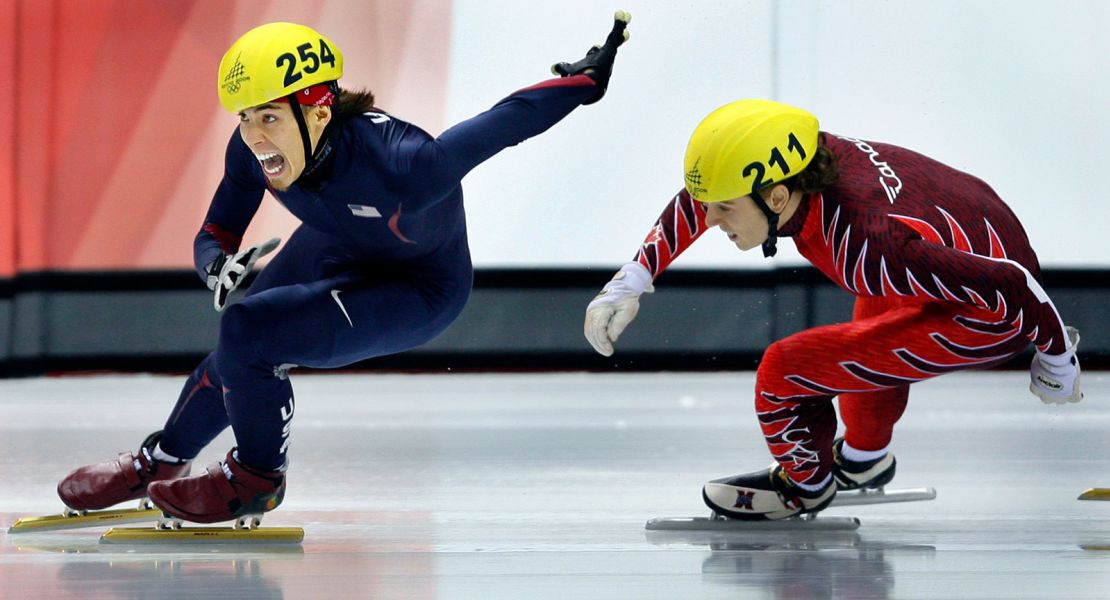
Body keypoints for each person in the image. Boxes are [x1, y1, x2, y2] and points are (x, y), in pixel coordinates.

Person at [57, 13, 632, 524]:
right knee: (237, 351)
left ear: (318, 107)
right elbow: (216, 232)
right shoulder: (251, 150)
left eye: (270, 118)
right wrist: (216, 269)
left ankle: (256, 481)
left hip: (419, 287)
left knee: (251, 334)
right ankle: (161, 461)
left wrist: (582, 81)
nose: (255, 138)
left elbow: (504, 123)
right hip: (336, 244)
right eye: (245, 118)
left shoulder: (405, 164)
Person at [584, 99, 1082, 520]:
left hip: (990, 313)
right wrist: (635, 276)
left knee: (785, 370)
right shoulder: (803, 158)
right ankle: (864, 459)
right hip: (947, 242)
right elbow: (711, 191)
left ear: (777, 196)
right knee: (871, 328)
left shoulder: (865, 244)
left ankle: (807, 486)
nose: (710, 220)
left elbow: (1012, 283)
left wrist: (1057, 359)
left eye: (724, 210)